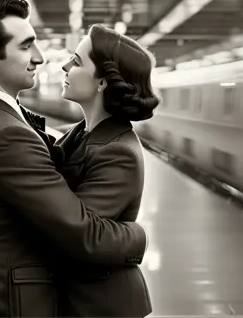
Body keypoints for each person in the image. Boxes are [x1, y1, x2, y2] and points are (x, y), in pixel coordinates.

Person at [0, 0, 147, 317]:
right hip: (9, 300)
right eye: (26, 46)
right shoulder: (6, 134)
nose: (39, 58)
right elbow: (83, 234)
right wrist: (136, 235)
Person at [50, 23, 159, 317]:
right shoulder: (81, 134)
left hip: (102, 305)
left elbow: (76, 234)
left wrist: (135, 237)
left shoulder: (117, 152)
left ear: (102, 83)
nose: (64, 66)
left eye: (76, 61)